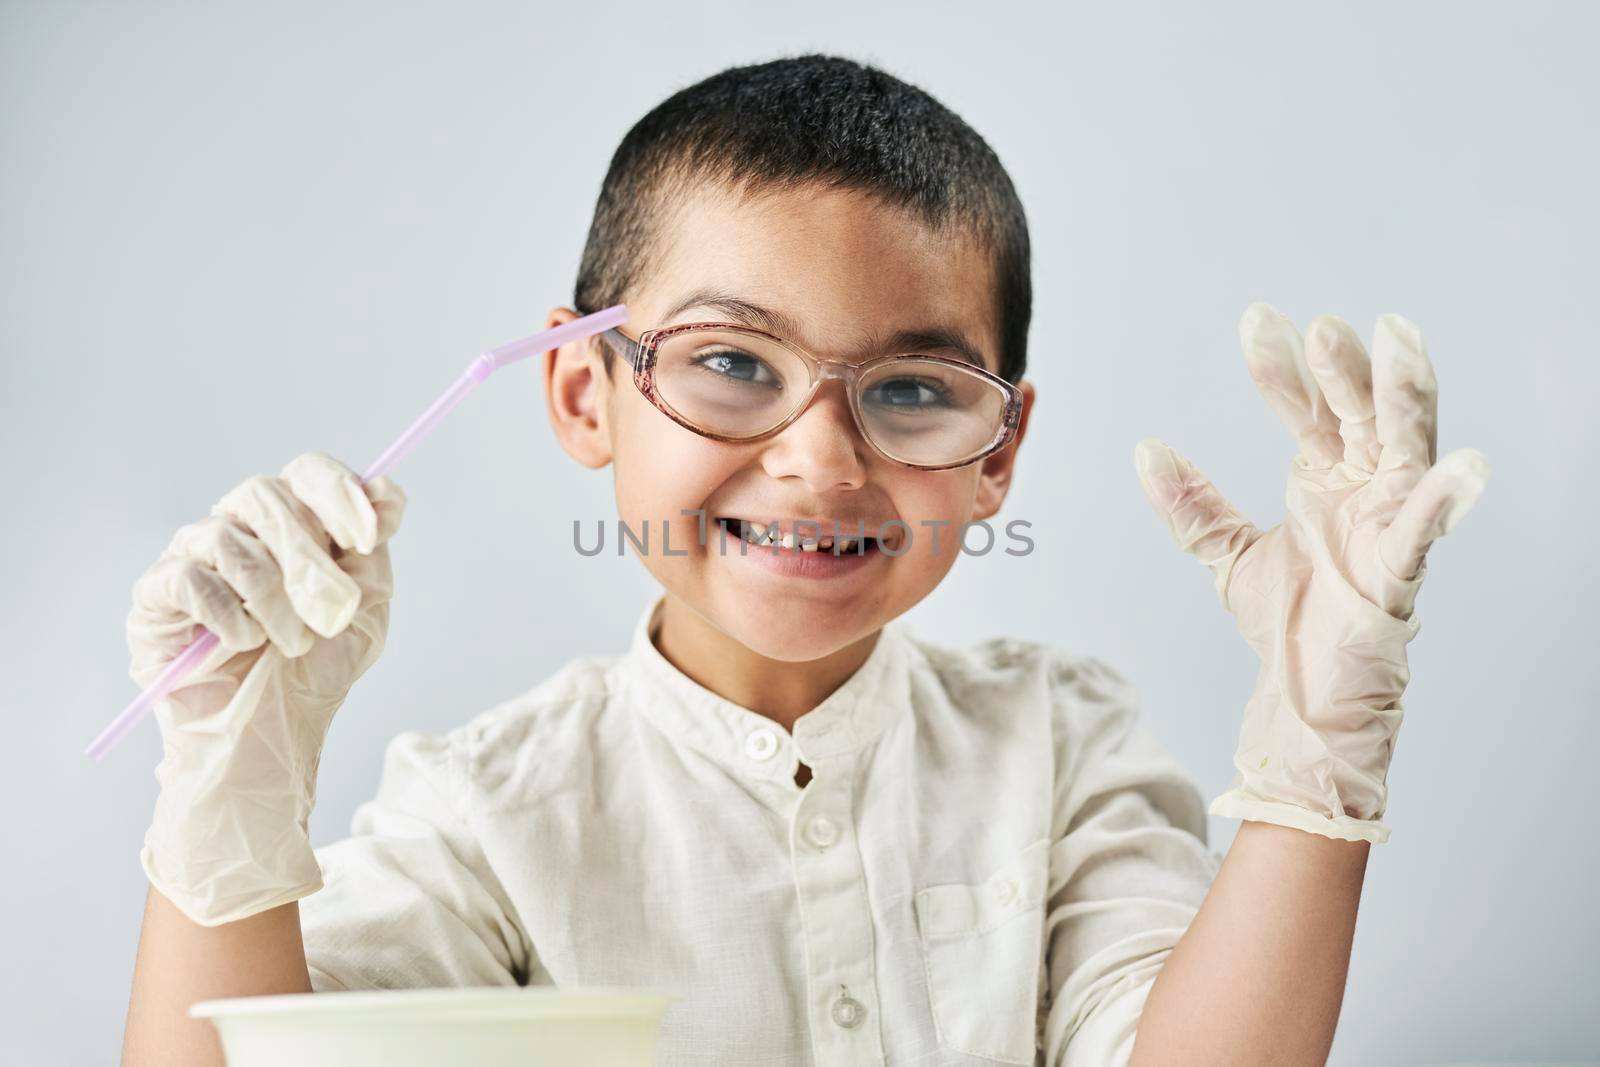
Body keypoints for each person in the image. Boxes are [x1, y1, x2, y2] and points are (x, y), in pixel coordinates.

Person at [118, 54, 1489, 1067]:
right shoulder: (489, 815)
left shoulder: (1059, 743)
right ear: (584, 394)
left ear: (1000, 449)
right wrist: (225, 821)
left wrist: (1314, 774)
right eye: (729, 363)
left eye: (913, 390)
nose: (821, 462)